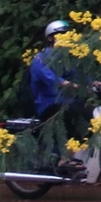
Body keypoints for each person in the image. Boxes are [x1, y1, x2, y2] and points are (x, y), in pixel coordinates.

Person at [28, 19, 89, 178]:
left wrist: (99, 83)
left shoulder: (68, 58)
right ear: (50, 38)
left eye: (68, 35)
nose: (66, 38)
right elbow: (53, 80)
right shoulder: (40, 59)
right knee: (72, 112)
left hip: (67, 102)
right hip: (48, 104)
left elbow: (82, 76)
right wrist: (75, 86)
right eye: (61, 35)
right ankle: (63, 159)